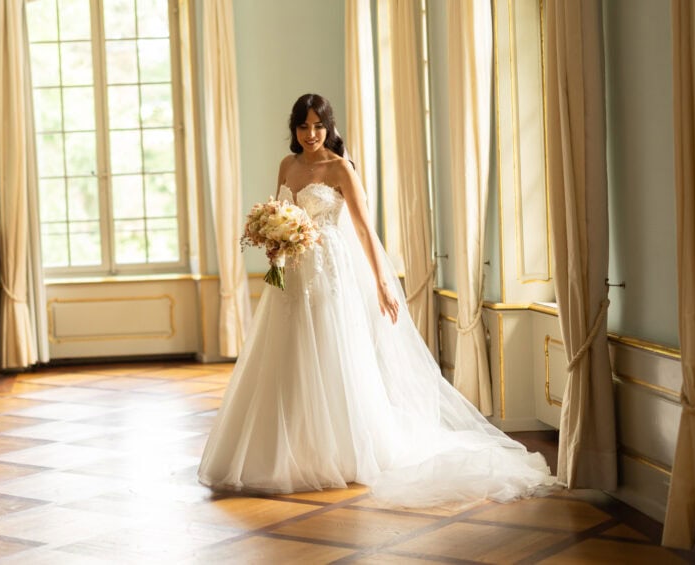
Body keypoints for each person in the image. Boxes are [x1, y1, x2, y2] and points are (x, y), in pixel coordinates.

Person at [197, 93, 555, 508]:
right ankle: (280, 448)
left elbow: (365, 230)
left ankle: (340, 451)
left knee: (331, 351)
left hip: (329, 269)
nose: (311, 134)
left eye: (318, 125)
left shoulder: (340, 168)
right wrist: (271, 238)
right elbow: (280, 211)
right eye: (303, 126)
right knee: (285, 352)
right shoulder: (287, 165)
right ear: (294, 130)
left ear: (329, 127)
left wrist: (383, 283)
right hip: (290, 274)